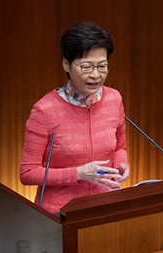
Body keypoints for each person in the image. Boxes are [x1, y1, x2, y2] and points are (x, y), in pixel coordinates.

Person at [20, 22, 130, 214]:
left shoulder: (114, 99)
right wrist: (78, 174)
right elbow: (27, 174)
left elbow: (120, 147)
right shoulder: (44, 110)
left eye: (102, 66)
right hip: (61, 212)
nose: (96, 75)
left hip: (106, 204)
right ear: (66, 64)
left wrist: (122, 165)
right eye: (86, 67)